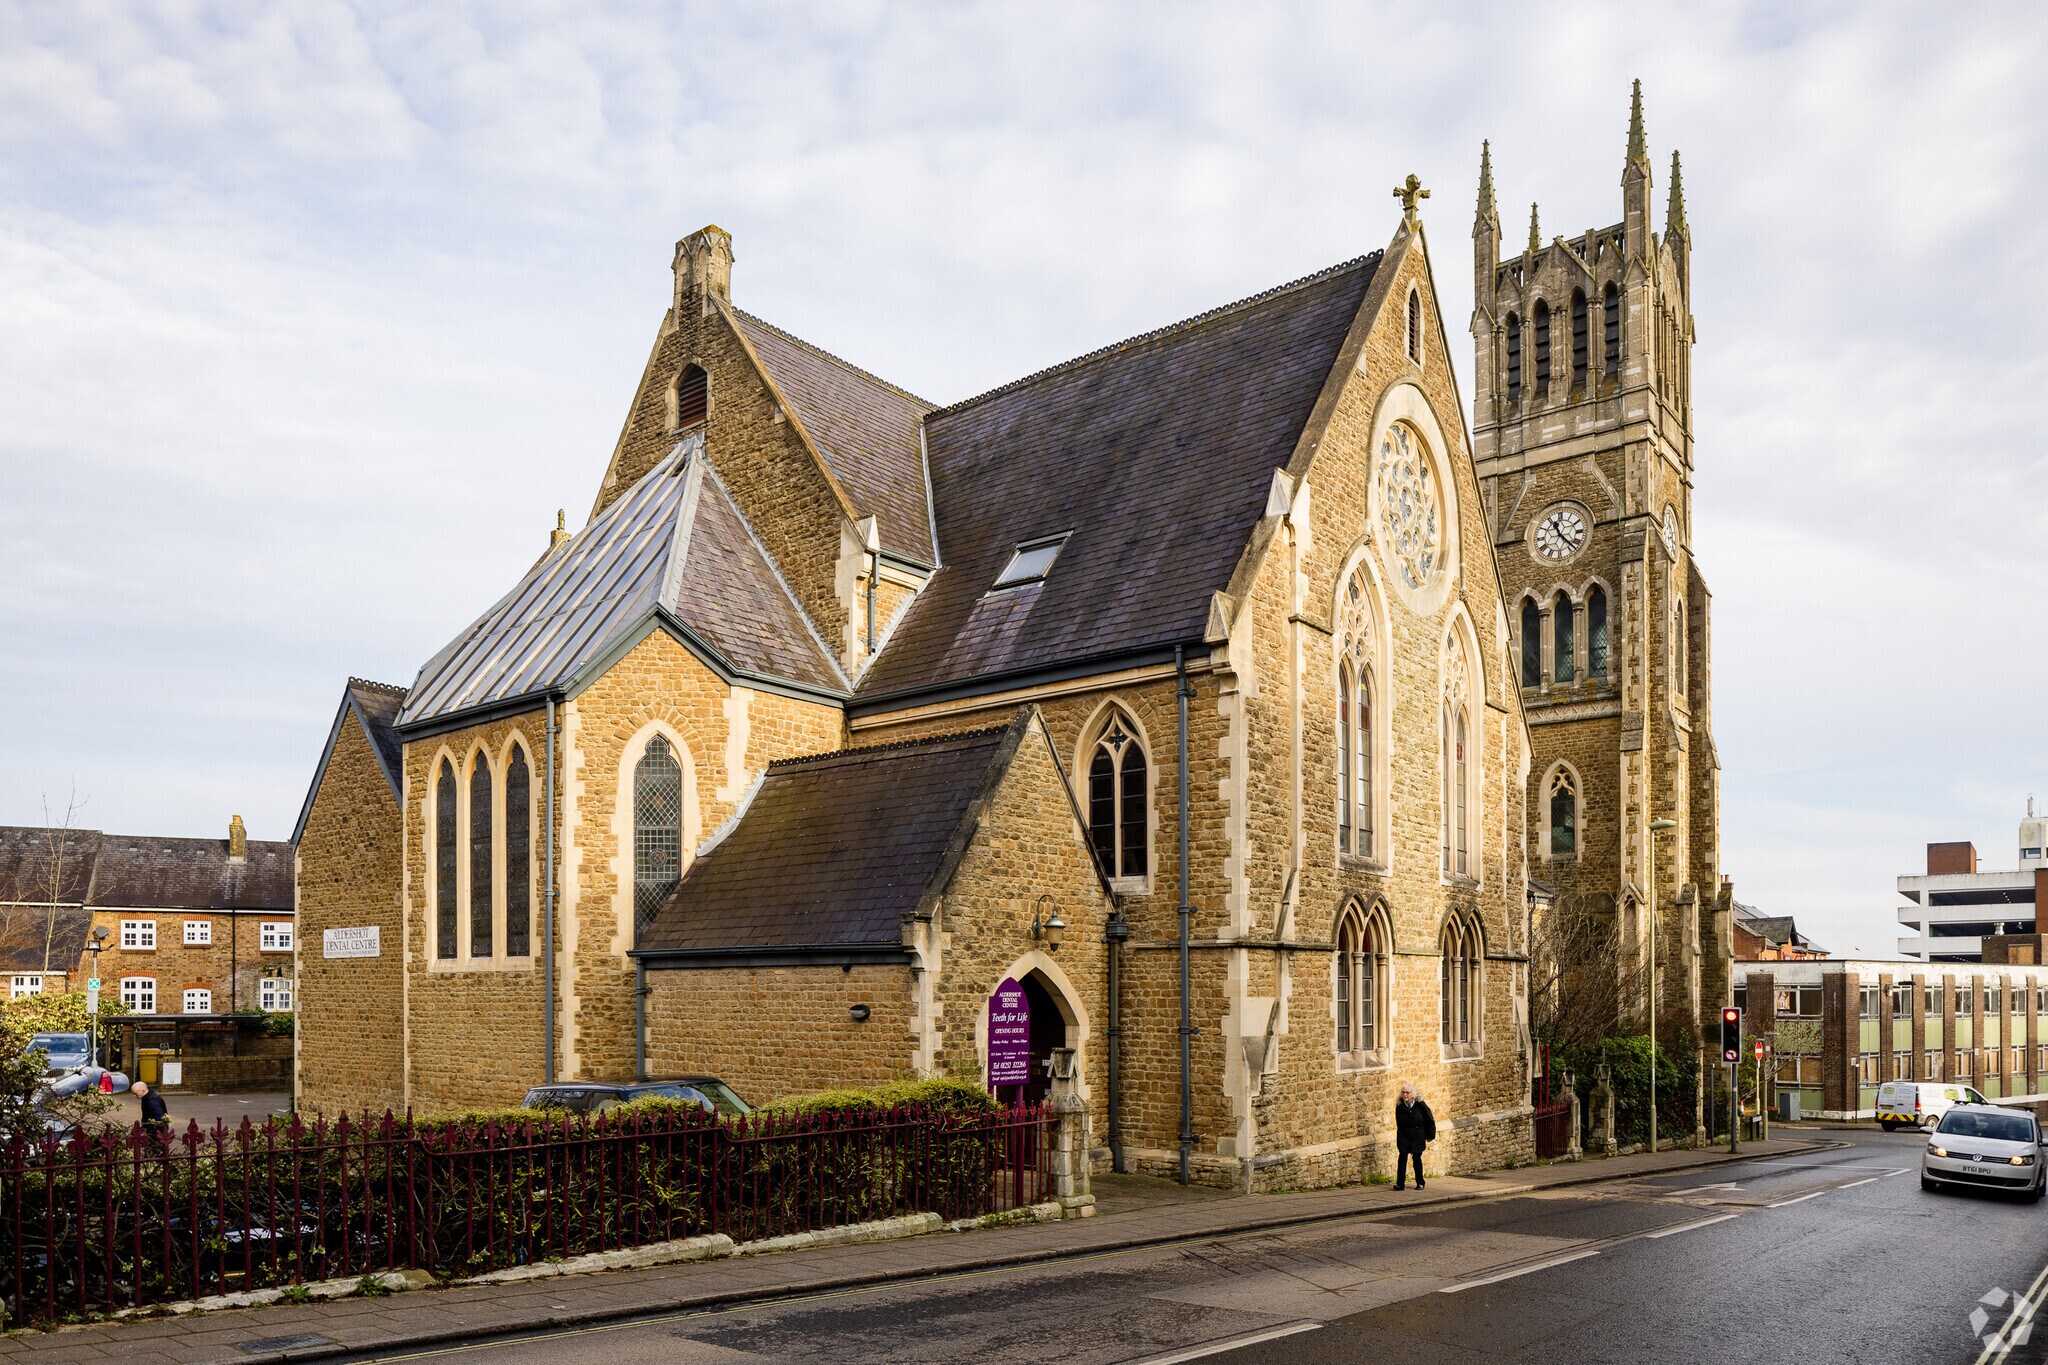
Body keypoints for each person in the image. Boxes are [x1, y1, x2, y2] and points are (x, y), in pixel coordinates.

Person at [1394, 1084, 1435, 1190]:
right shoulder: (1399, 1106)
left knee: (1417, 1159)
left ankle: (1420, 1182)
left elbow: (1429, 1119)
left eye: (1407, 1093)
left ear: (1413, 1094)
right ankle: (1400, 1184)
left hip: (1417, 1137)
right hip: (1404, 1137)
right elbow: (1399, 1122)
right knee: (1402, 1159)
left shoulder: (1420, 1105)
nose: (1405, 1095)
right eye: (1403, 1093)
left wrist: (1430, 1135)